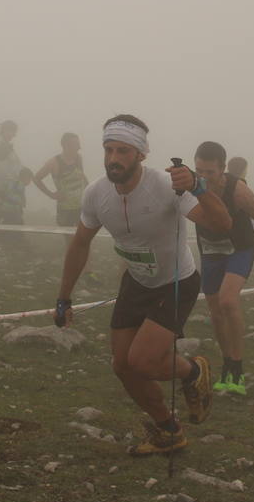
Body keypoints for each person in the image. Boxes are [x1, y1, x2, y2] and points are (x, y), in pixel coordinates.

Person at [55, 114, 232, 456]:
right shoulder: (96, 194)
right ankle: (169, 430)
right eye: (108, 150)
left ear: (141, 155)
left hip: (175, 281)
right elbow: (79, 243)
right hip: (136, 282)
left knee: (144, 362)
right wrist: (64, 297)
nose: (113, 159)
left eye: (123, 151)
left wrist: (198, 187)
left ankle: (193, 370)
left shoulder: (168, 186)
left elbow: (221, 224)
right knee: (122, 366)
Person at [192, 142, 254, 395]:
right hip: (210, 250)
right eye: (200, 171)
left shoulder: (238, 191)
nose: (204, 178)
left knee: (228, 301)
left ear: (223, 170)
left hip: (239, 248)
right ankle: (227, 363)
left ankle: (237, 368)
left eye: (210, 172)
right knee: (215, 310)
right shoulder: (189, 186)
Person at [32, 132, 89, 227]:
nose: (79, 147)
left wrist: (89, 193)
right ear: (65, 146)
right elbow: (36, 178)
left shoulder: (79, 158)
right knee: (69, 237)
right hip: (65, 209)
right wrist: (51, 194)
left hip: (81, 206)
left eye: (78, 144)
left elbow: (82, 176)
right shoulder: (54, 162)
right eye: (76, 145)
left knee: (83, 237)